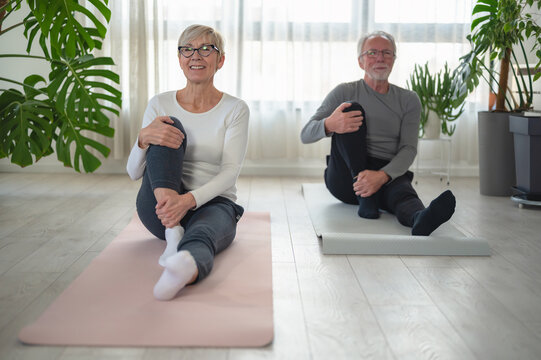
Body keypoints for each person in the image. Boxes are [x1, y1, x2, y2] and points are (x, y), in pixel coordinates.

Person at [127, 25, 249, 301]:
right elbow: (133, 172)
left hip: (213, 203)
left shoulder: (235, 109)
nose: (196, 56)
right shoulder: (159, 103)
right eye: (187, 49)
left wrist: (188, 201)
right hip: (160, 210)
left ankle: (185, 267)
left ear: (221, 60)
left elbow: (230, 173)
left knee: (203, 234)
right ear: (180, 58)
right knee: (169, 127)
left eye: (207, 49)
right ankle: (173, 233)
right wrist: (142, 139)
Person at [300, 30, 455, 236]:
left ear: (393, 60)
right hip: (346, 178)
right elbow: (305, 134)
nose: (380, 58)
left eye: (387, 53)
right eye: (372, 53)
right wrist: (330, 124)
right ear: (360, 61)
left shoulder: (409, 99)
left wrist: (382, 176)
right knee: (350, 109)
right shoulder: (344, 92)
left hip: (384, 171)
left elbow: (408, 149)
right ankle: (365, 194)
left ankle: (419, 218)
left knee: (402, 194)